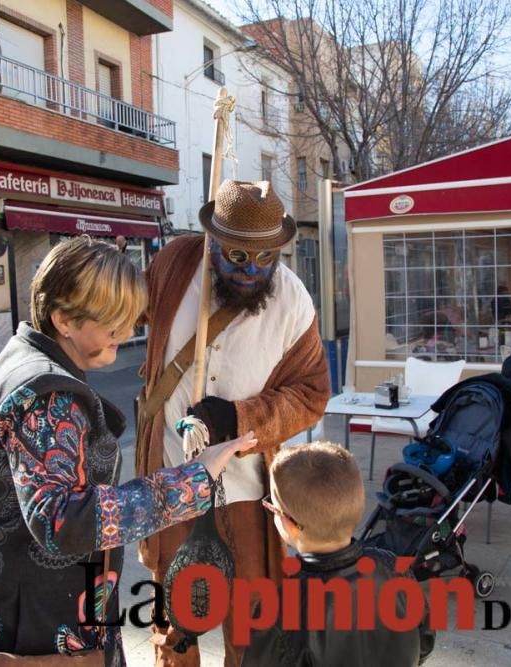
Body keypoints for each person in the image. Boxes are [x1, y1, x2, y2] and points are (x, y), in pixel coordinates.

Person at [0, 236, 256, 662]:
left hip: (27, 610)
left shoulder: (24, 358)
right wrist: (194, 479)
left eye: (130, 319)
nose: (127, 333)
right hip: (40, 630)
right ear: (63, 319)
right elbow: (63, 523)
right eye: (113, 323)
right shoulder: (48, 395)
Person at [137, 180, 330, 666]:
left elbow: (312, 394)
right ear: (213, 241)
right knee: (174, 625)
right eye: (237, 256)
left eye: (265, 258)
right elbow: (125, 308)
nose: (251, 271)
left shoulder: (293, 301)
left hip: (245, 490)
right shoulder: (176, 264)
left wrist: (239, 417)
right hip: (170, 479)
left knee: (250, 629)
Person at [242, 442, 434, 667]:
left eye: (272, 507)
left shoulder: (278, 611)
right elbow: (425, 640)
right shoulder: (393, 568)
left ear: (289, 523)